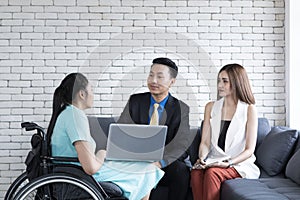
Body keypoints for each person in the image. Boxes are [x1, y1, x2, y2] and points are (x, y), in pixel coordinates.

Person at [47, 73, 164, 200]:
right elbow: (90, 168)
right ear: (82, 94)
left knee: (144, 168)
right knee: (147, 169)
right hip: (78, 176)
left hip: (73, 171)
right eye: (91, 90)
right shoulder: (75, 116)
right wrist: (101, 154)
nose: (93, 95)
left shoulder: (67, 112)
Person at [118, 57, 194, 200]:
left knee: (181, 171)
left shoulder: (181, 109)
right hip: (136, 161)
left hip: (164, 164)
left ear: (172, 82)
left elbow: (182, 145)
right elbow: (121, 133)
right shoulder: (135, 101)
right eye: (151, 75)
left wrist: (160, 163)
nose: (153, 81)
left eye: (160, 77)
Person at [190, 63, 260, 200]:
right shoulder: (210, 107)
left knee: (212, 173)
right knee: (196, 172)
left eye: (225, 81)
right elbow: (205, 142)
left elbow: (249, 150)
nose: (220, 85)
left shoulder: (249, 109)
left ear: (237, 82)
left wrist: (229, 163)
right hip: (214, 160)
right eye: (219, 81)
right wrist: (202, 158)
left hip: (238, 164)